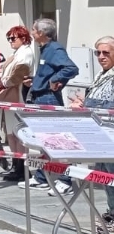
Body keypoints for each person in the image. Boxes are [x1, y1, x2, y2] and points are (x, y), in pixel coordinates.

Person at [21, 18, 79, 194]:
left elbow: (71, 68)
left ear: (41, 33)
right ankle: (41, 177)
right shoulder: (44, 49)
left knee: (57, 140)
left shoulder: (54, 48)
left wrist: (55, 80)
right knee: (43, 141)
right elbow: (48, 72)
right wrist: (36, 80)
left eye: (33, 30)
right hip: (40, 97)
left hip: (49, 99)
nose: (31, 33)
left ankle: (65, 180)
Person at [73, 37, 114, 234]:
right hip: (102, 137)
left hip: (111, 135)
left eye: (106, 53)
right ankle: (112, 212)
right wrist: (85, 104)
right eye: (98, 53)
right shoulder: (103, 74)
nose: (101, 57)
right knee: (107, 178)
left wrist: (87, 106)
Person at [0, 26, 34, 181]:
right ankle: (16, 165)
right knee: (10, 134)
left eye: (13, 38)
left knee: (18, 134)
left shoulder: (26, 53)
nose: (10, 42)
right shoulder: (16, 54)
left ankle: (22, 168)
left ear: (24, 38)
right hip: (9, 98)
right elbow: (2, 70)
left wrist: (0, 85)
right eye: (9, 38)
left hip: (18, 97)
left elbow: (19, 75)